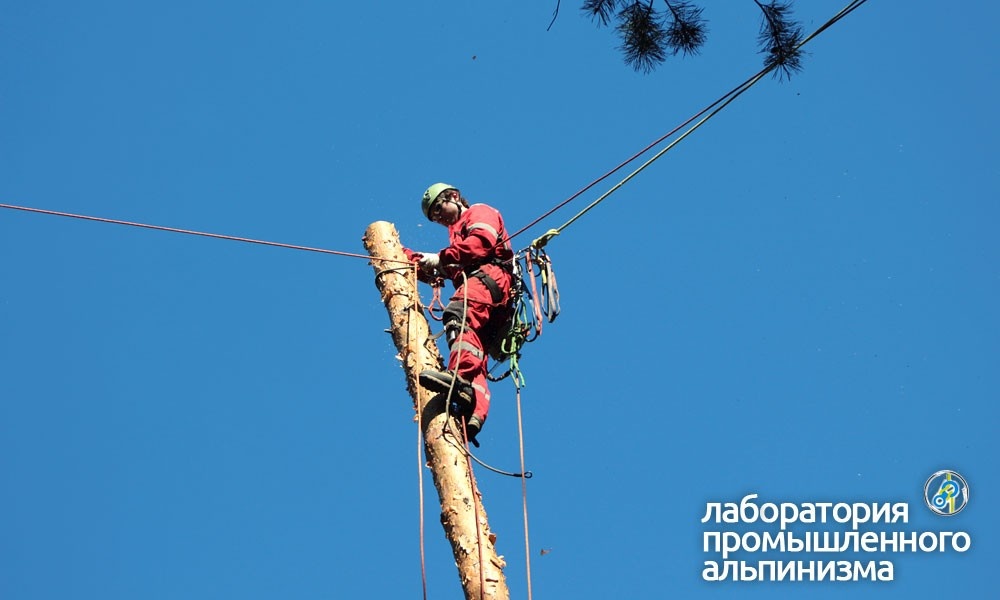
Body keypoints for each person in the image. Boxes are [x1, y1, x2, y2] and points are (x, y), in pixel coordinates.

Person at [404, 183, 514, 446]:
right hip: (488, 294)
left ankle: (460, 379)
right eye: (434, 218)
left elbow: (479, 245)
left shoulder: (479, 212)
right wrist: (407, 257)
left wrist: (441, 257)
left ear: (453, 196)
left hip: (489, 278)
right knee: (471, 346)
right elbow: (445, 267)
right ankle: (472, 412)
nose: (439, 219)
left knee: (457, 314)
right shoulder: (455, 239)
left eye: (439, 209)